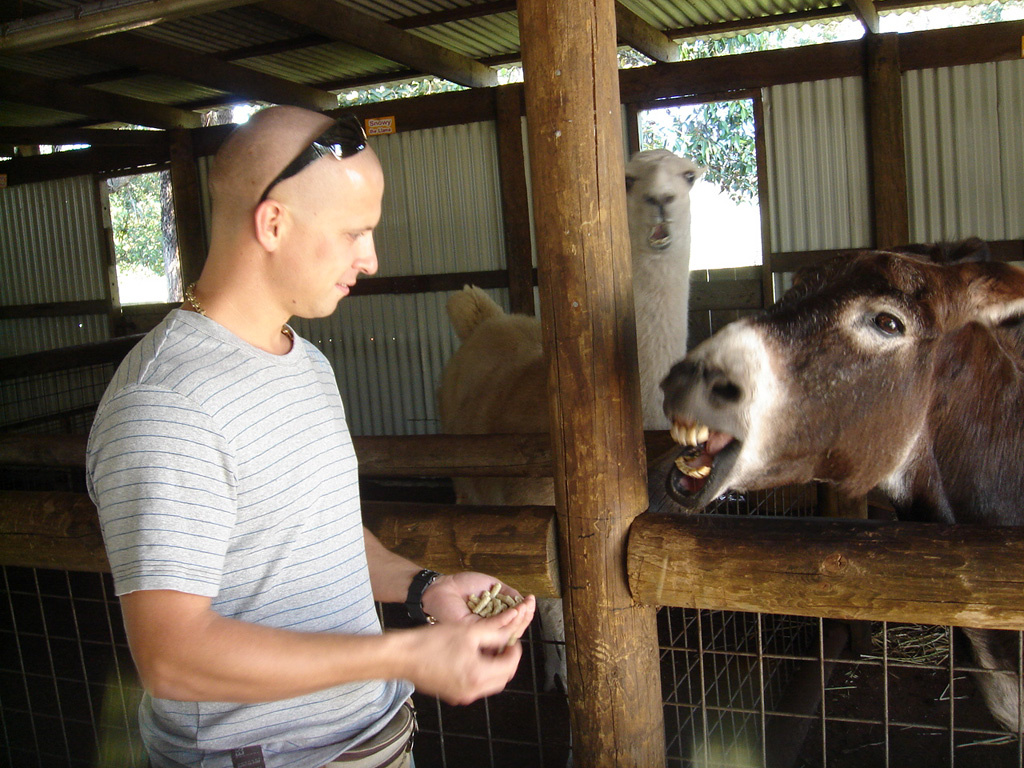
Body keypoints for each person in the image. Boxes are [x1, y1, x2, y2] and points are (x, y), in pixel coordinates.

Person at [86, 105, 536, 768]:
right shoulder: (166, 400)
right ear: (273, 222)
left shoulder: (305, 362)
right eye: (356, 232)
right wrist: (407, 654)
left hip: (374, 740)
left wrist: (423, 588)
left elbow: (314, 532)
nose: (373, 259)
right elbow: (171, 658)